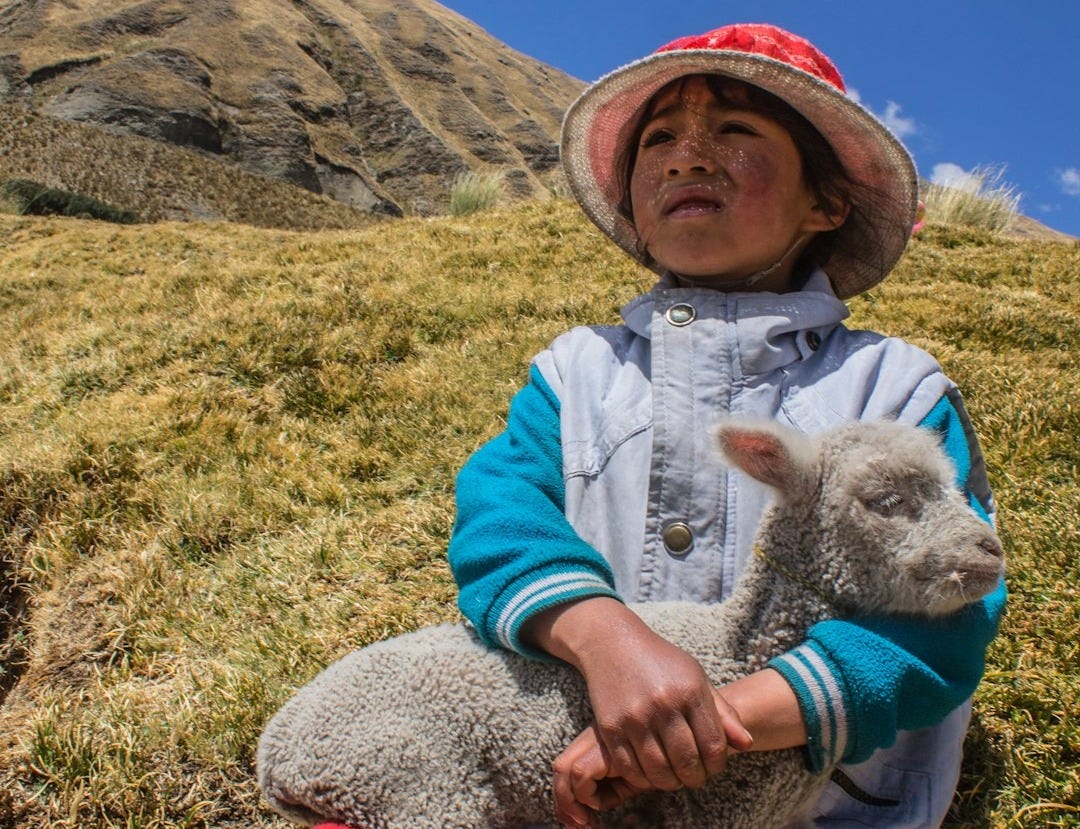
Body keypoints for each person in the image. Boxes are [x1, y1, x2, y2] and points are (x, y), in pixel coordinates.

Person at [447, 22, 1006, 829]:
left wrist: (727, 717)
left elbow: (953, 597)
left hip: (816, 808)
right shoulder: (574, 374)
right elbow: (502, 516)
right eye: (660, 139)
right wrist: (605, 642)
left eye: (736, 131)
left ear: (827, 202)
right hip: (575, 785)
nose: (687, 156)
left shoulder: (894, 390)